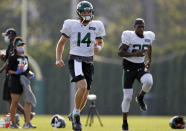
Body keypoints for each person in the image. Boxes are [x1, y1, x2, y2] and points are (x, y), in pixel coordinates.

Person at [56, 1, 105, 131]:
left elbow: (100, 42)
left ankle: (74, 113)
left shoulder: (97, 25)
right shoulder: (71, 25)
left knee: (86, 91)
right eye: (84, 12)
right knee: (82, 87)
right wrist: (58, 58)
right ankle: (76, 117)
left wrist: (98, 48)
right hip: (76, 59)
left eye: (88, 11)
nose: (87, 14)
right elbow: (61, 43)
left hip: (89, 61)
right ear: (79, 13)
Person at [118, 18, 155, 131]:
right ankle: (125, 122)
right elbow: (120, 52)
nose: (141, 29)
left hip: (140, 66)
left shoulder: (149, 36)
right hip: (128, 67)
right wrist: (133, 54)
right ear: (134, 27)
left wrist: (149, 59)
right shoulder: (129, 36)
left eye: (143, 27)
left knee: (149, 81)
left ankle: (140, 97)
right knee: (128, 97)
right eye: (139, 27)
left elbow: (148, 45)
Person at [0, 28, 35, 123]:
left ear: (11, 35)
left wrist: (1, 70)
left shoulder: (13, 45)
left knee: (11, 99)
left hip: (13, 77)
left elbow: (9, 62)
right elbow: (11, 61)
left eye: (8, 35)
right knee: (12, 99)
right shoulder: (11, 46)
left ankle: (14, 119)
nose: (6, 37)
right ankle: (17, 118)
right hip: (14, 75)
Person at [7, 37, 36, 129]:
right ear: (15, 47)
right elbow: (9, 71)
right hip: (15, 81)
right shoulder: (12, 57)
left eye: (22, 45)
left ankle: (27, 123)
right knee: (15, 102)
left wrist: (31, 73)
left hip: (24, 82)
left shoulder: (25, 57)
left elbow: (27, 70)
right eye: (19, 45)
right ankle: (13, 123)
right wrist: (16, 72)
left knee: (28, 101)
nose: (21, 47)